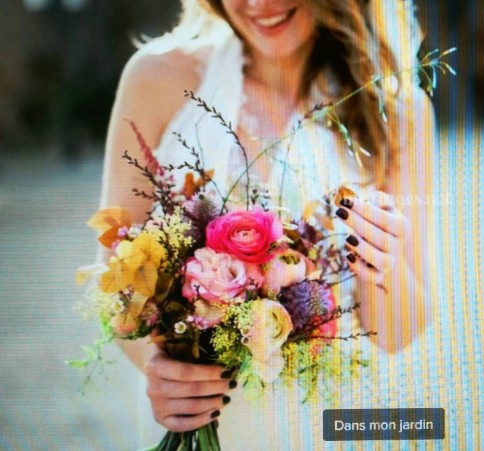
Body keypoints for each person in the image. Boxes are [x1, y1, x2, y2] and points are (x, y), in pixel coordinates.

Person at [100, 0, 436, 444]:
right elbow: (114, 280)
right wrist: (162, 369)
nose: (258, 4)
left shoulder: (395, 108)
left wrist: (383, 265)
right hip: (208, 423)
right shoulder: (157, 79)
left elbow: (397, 336)